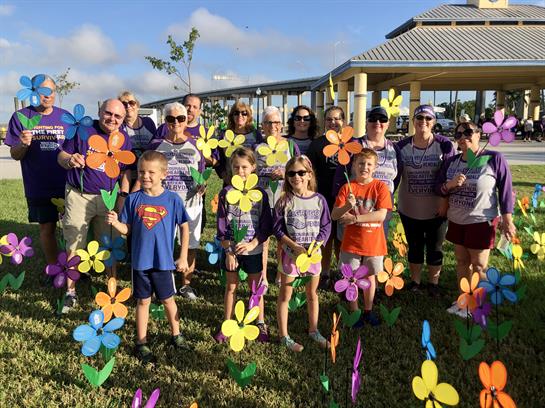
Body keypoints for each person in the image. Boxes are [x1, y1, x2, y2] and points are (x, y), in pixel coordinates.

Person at [106, 150, 191, 362]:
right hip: (140, 263)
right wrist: (117, 223)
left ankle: (176, 335)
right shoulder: (133, 199)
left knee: (168, 300)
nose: (145, 176)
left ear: (164, 174)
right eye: (141, 172)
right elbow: (128, 229)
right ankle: (141, 342)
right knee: (142, 302)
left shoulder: (172, 199)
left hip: (163, 263)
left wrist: (182, 257)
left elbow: (185, 227)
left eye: (151, 172)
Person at [57, 99, 132, 313]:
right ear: (100, 111)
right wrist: (70, 159)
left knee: (110, 245)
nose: (112, 119)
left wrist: (122, 196)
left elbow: (126, 169)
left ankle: (112, 292)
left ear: (123, 119)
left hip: (109, 198)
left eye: (118, 116)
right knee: (74, 243)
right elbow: (61, 154)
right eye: (108, 113)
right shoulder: (83, 131)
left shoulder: (123, 138)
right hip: (79, 195)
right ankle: (70, 293)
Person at [436, 122, 515, 317]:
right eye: (459, 134)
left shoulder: (494, 159)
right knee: (462, 262)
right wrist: (451, 184)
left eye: (468, 132)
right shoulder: (452, 162)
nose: (463, 137)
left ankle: (476, 304)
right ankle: (464, 299)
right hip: (457, 219)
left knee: (479, 265)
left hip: (481, 221)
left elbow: (505, 191)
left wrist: (508, 219)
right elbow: (439, 188)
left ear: (479, 134)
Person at [143, 102, 205, 300]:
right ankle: (164, 282)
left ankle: (186, 285)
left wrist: (202, 186)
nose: (176, 122)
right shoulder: (156, 145)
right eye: (171, 119)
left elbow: (202, 172)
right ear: (165, 121)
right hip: (163, 204)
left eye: (180, 118)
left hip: (191, 203)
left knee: (191, 244)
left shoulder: (196, 145)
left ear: (187, 120)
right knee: (162, 245)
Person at [6, 74, 68, 266]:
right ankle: (54, 269)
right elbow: (15, 154)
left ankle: (72, 269)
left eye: (51, 91)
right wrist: (23, 144)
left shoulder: (65, 116)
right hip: (38, 185)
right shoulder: (21, 117)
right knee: (47, 229)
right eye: (42, 91)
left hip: (67, 184)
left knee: (71, 229)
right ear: (34, 92)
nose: (47, 96)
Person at [273, 156, 331, 352]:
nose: (296, 177)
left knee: (312, 294)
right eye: (291, 173)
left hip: (313, 257)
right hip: (291, 256)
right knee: (285, 295)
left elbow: (326, 226)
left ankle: (313, 330)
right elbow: (278, 229)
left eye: (301, 173)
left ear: (309, 175)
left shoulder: (319, 200)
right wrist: (293, 246)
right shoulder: (284, 201)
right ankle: (284, 336)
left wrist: (317, 245)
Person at [395, 105, 454, 297]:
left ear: (434, 122)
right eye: (419, 118)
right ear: (413, 121)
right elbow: (394, 177)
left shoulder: (444, 145)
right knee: (415, 245)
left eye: (428, 119)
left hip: (436, 208)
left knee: (435, 247)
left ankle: (433, 284)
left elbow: (450, 175)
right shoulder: (401, 146)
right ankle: (415, 282)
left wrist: (445, 201)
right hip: (409, 207)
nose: (423, 122)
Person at [215, 147, 272, 343]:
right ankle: (227, 323)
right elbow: (221, 227)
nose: (241, 171)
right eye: (236, 167)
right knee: (231, 286)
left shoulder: (261, 195)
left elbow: (265, 227)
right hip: (232, 250)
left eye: (245, 167)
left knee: (255, 289)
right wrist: (229, 252)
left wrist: (253, 244)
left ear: (253, 167)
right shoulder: (226, 193)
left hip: (253, 250)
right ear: (231, 168)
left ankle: (260, 322)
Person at [332, 149, 392, 327]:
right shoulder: (347, 188)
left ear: (374, 167)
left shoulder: (380, 187)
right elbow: (335, 215)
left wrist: (355, 218)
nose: (364, 167)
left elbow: (381, 215)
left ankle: (368, 310)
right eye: (360, 163)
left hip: (373, 244)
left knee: (370, 277)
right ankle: (354, 311)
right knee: (351, 278)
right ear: (354, 166)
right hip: (351, 244)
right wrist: (347, 207)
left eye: (368, 164)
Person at [332, 106, 399, 238]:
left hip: (381, 206)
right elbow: (340, 175)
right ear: (366, 123)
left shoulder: (395, 149)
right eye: (373, 119)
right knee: (351, 248)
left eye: (382, 119)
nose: (378, 122)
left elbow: (397, 177)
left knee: (375, 246)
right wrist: (341, 204)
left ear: (388, 124)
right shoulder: (355, 144)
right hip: (356, 204)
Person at [255, 106, 300, 285]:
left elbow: (301, 168)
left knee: (283, 239)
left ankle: (280, 275)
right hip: (263, 200)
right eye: (268, 122)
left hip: (284, 199)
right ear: (263, 126)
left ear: (281, 125)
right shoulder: (257, 147)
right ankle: (263, 276)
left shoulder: (290, 145)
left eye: (275, 122)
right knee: (263, 240)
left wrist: (285, 171)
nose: (272, 126)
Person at [307, 106, 346, 288]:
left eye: (337, 119)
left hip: (344, 200)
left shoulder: (351, 143)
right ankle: (324, 273)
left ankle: (341, 273)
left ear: (343, 122)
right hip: (322, 198)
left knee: (341, 238)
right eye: (329, 119)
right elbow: (310, 172)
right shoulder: (317, 144)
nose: (333, 122)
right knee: (325, 237)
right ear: (324, 122)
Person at [215, 101, 264, 182]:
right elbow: (218, 157)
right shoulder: (225, 135)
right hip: (231, 179)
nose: (240, 116)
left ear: (248, 116)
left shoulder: (255, 134)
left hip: (252, 180)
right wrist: (223, 174)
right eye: (236, 113)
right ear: (232, 116)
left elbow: (262, 156)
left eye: (244, 113)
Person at [118, 91, 156, 159]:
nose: (128, 106)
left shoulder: (148, 123)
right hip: (128, 167)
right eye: (124, 104)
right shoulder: (119, 126)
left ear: (137, 106)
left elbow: (156, 145)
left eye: (131, 103)